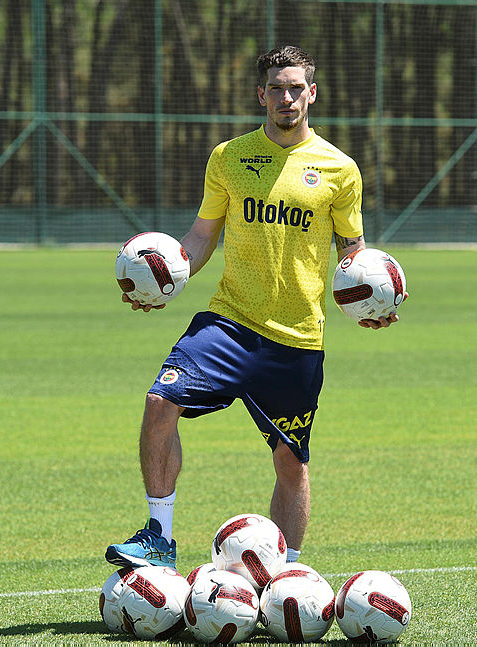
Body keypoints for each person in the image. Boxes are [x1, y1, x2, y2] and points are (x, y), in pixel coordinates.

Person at [105, 45, 405, 571]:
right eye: (276, 89)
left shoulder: (340, 169)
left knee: (291, 463)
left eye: (296, 89)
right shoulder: (229, 158)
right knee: (160, 403)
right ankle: (159, 537)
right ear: (259, 94)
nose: (286, 98)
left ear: (312, 93)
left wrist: (372, 300)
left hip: (296, 339)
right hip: (230, 322)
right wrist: (165, 278)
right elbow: (200, 238)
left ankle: (287, 576)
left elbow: (352, 255)